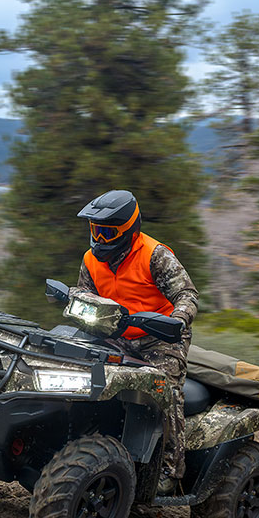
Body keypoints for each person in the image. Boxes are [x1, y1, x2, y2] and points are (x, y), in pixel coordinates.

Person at [73, 190, 198, 495]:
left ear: (129, 229)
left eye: (107, 233)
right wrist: (78, 300)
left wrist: (177, 320)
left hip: (160, 339)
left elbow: (187, 295)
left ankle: (170, 468)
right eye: (96, 231)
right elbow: (82, 292)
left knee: (164, 391)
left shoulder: (155, 255)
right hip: (113, 335)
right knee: (72, 365)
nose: (100, 240)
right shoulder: (91, 259)